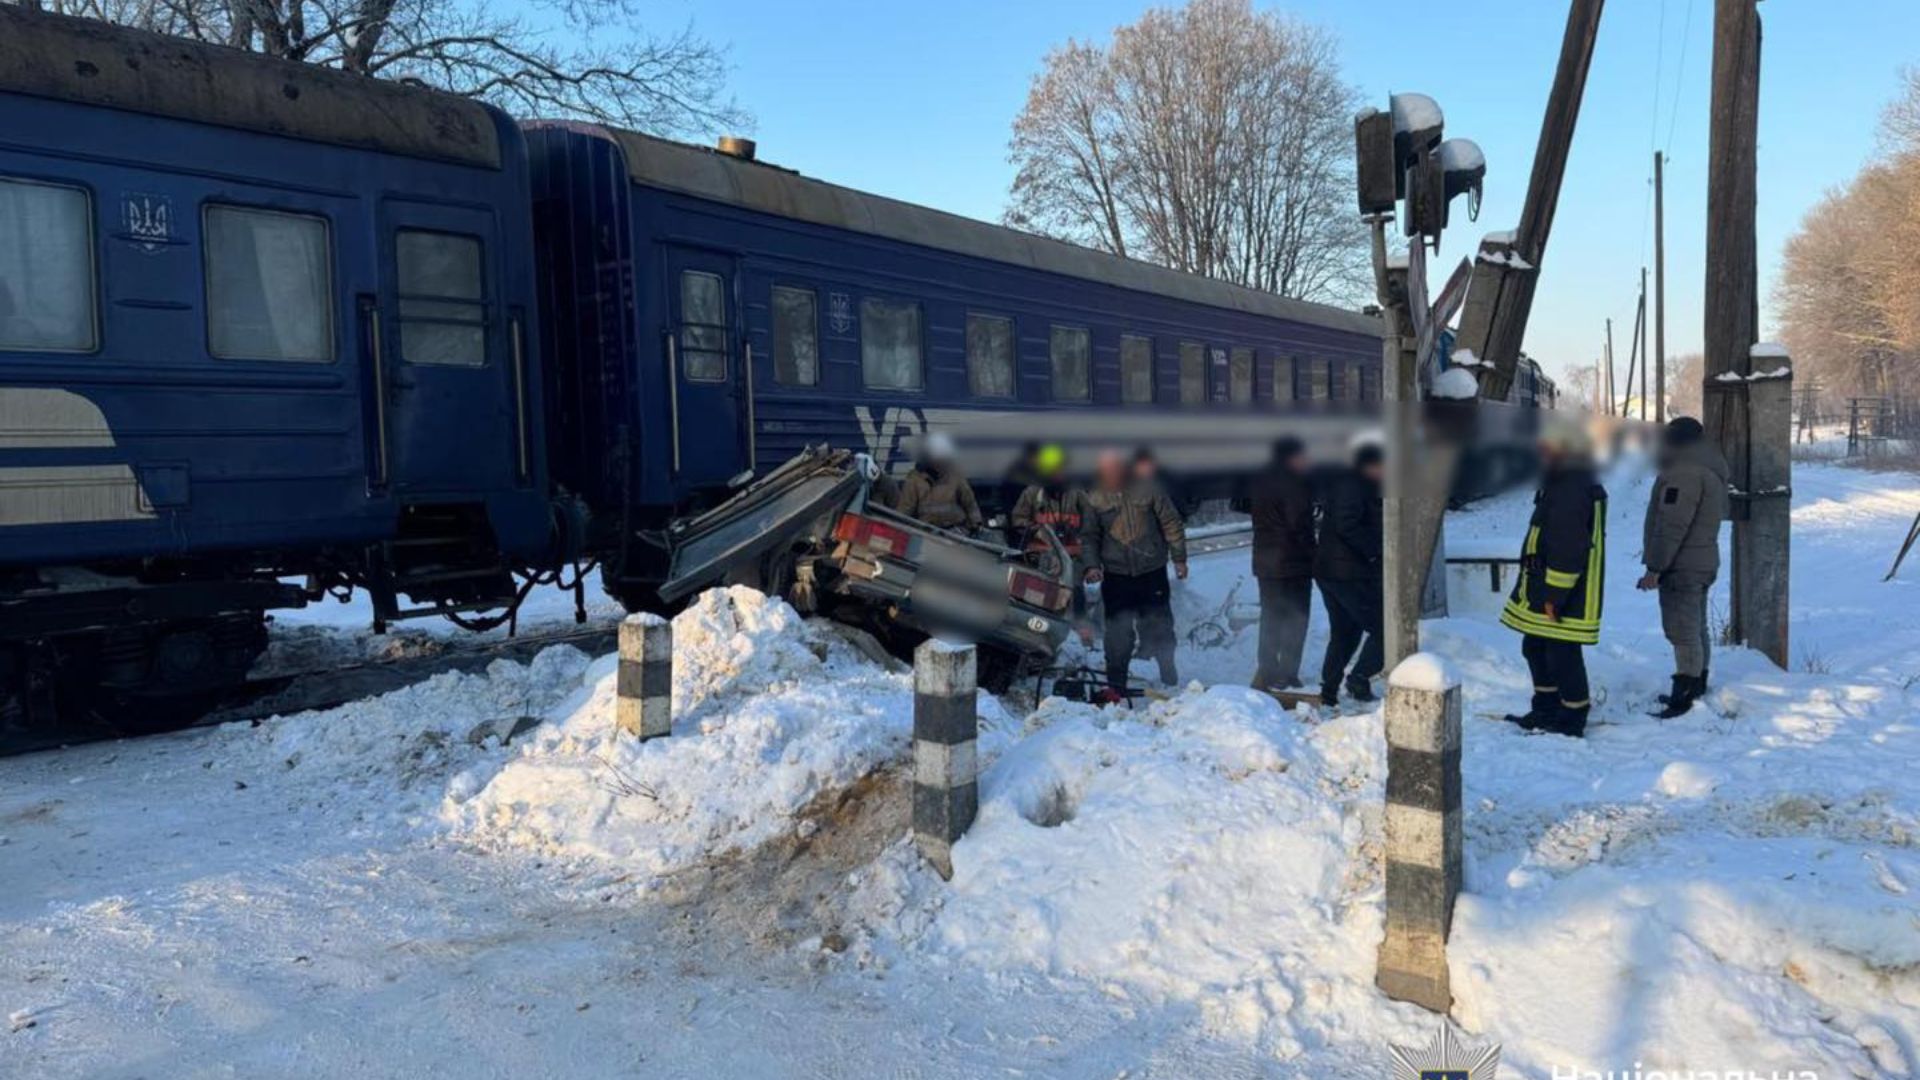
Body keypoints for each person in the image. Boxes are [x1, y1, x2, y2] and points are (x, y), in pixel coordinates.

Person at [1500, 421, 1609, 738]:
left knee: (1562, 652)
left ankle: (1572, 716)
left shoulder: (1570, 486)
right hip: (1546, 584)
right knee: (1535, 645)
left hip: (1562, 590)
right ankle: (1546, 707)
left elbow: (1568, 546)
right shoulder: (1563, 480)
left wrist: (1554, 595)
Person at [1637, 416, 1729, 718]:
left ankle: (1685, 694)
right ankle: (1697, 683)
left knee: (1682, 629)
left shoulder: (1684, 473)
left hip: (1682, 565)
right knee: (1696, 626)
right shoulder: (1707, 468)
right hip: (1701, 560)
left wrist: (1655, 567)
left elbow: (1671, 524)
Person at [1085, 447, 1187, 697]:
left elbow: (1170, 522)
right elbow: (1089, 536)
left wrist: (1179, 558)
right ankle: (1116, 685)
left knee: (1160, 624)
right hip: (1117, 575)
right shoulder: (1095, 497)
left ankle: (1168, 671)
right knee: (1118, 633)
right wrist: (1091, 564)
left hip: (1151, 570)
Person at [1314, 439, 1385, 706]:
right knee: (1385, 629)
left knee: (1345, 631)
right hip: (1346, 572)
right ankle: (1358, 679)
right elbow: (1348, 525)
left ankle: (1329, 689)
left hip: (1335, 570)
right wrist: (1375, 550)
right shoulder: (1353, 485)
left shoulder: (1354, 483)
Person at [1249, 436, 1317, 691]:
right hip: (1293, 561)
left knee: (1271, 618)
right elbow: (1298, 522)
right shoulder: (1294, 484)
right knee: (1296, 618)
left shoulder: (1260, 479)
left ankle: (1267, 670)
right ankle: (1288, 673)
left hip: (1266, 562)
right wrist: (1314, 553)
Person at [1011, 444, 1095, 643]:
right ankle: (1035, 630)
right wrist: (1035, 529)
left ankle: (1082, 631)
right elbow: (1017, 519)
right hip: (1040, 556)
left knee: (1075, 589)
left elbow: (1091, 524)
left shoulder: (1077, 494)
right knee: (1037, 594)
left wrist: (1081, 543)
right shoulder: (1032, 493)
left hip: (1070, 557)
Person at [895, 431, 982, 534]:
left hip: (956, 530)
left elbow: (969, 502)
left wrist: (976, 523)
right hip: (927, 533)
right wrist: (897, 530)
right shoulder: (914, 480)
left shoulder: (954, 475)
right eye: (939, 458)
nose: (942, 462)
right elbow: (904, 509)